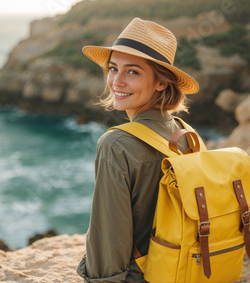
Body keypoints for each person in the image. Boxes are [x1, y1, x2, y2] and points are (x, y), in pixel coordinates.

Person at [76, 18, 200, 282]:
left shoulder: (115, 145)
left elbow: (109, 236)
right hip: (185, 270)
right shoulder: (187, 133)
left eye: (132, 72)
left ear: (161, 82)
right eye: (113, 69)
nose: (116, 81)